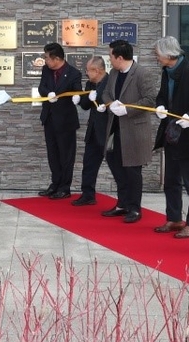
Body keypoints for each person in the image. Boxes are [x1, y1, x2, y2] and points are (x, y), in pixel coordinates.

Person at [152, 36, 189, 238]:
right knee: (171, 180)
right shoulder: (166, 72)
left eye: (158, 55)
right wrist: (160, 106)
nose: (157, 58)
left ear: (170, 54)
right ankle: (174, 218)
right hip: (171, 134)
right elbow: (162, 96)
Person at [99, 40, 157, 223]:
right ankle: (122, 204)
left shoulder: (142, 74)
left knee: (132, 170)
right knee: (116, 165)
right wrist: (111, 104)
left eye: (110, 55)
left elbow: (150, 99)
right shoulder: (114, 73)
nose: (109, 59)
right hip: (115, 129)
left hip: (134, 129)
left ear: (120, 57)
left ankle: (135, 208)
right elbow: (106, 93)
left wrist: (127, 109)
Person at [36, 41, 82, 199]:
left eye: (47, 58)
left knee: (66, 155)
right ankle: (55, 184)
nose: (45, 61)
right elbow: (41, 87)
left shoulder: (74, 73)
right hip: (49, 118)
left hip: (66, 121)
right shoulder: (46, 70)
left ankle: (65, 187)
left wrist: (76, 97)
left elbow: (77, 92)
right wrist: (47, 93)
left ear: (56, 59)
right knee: (53, 154)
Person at [72, 56, 109, 206]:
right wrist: (80, 99)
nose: (86, 73)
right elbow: (86, 105)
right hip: (93, 130)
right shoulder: (90, 84)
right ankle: (88, 194)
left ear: (97, 70)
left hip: (108, 130)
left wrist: (101, 101)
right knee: (89, 163)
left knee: (117, 166)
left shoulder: (111, 82)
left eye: (88, 70)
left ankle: (125, 201)